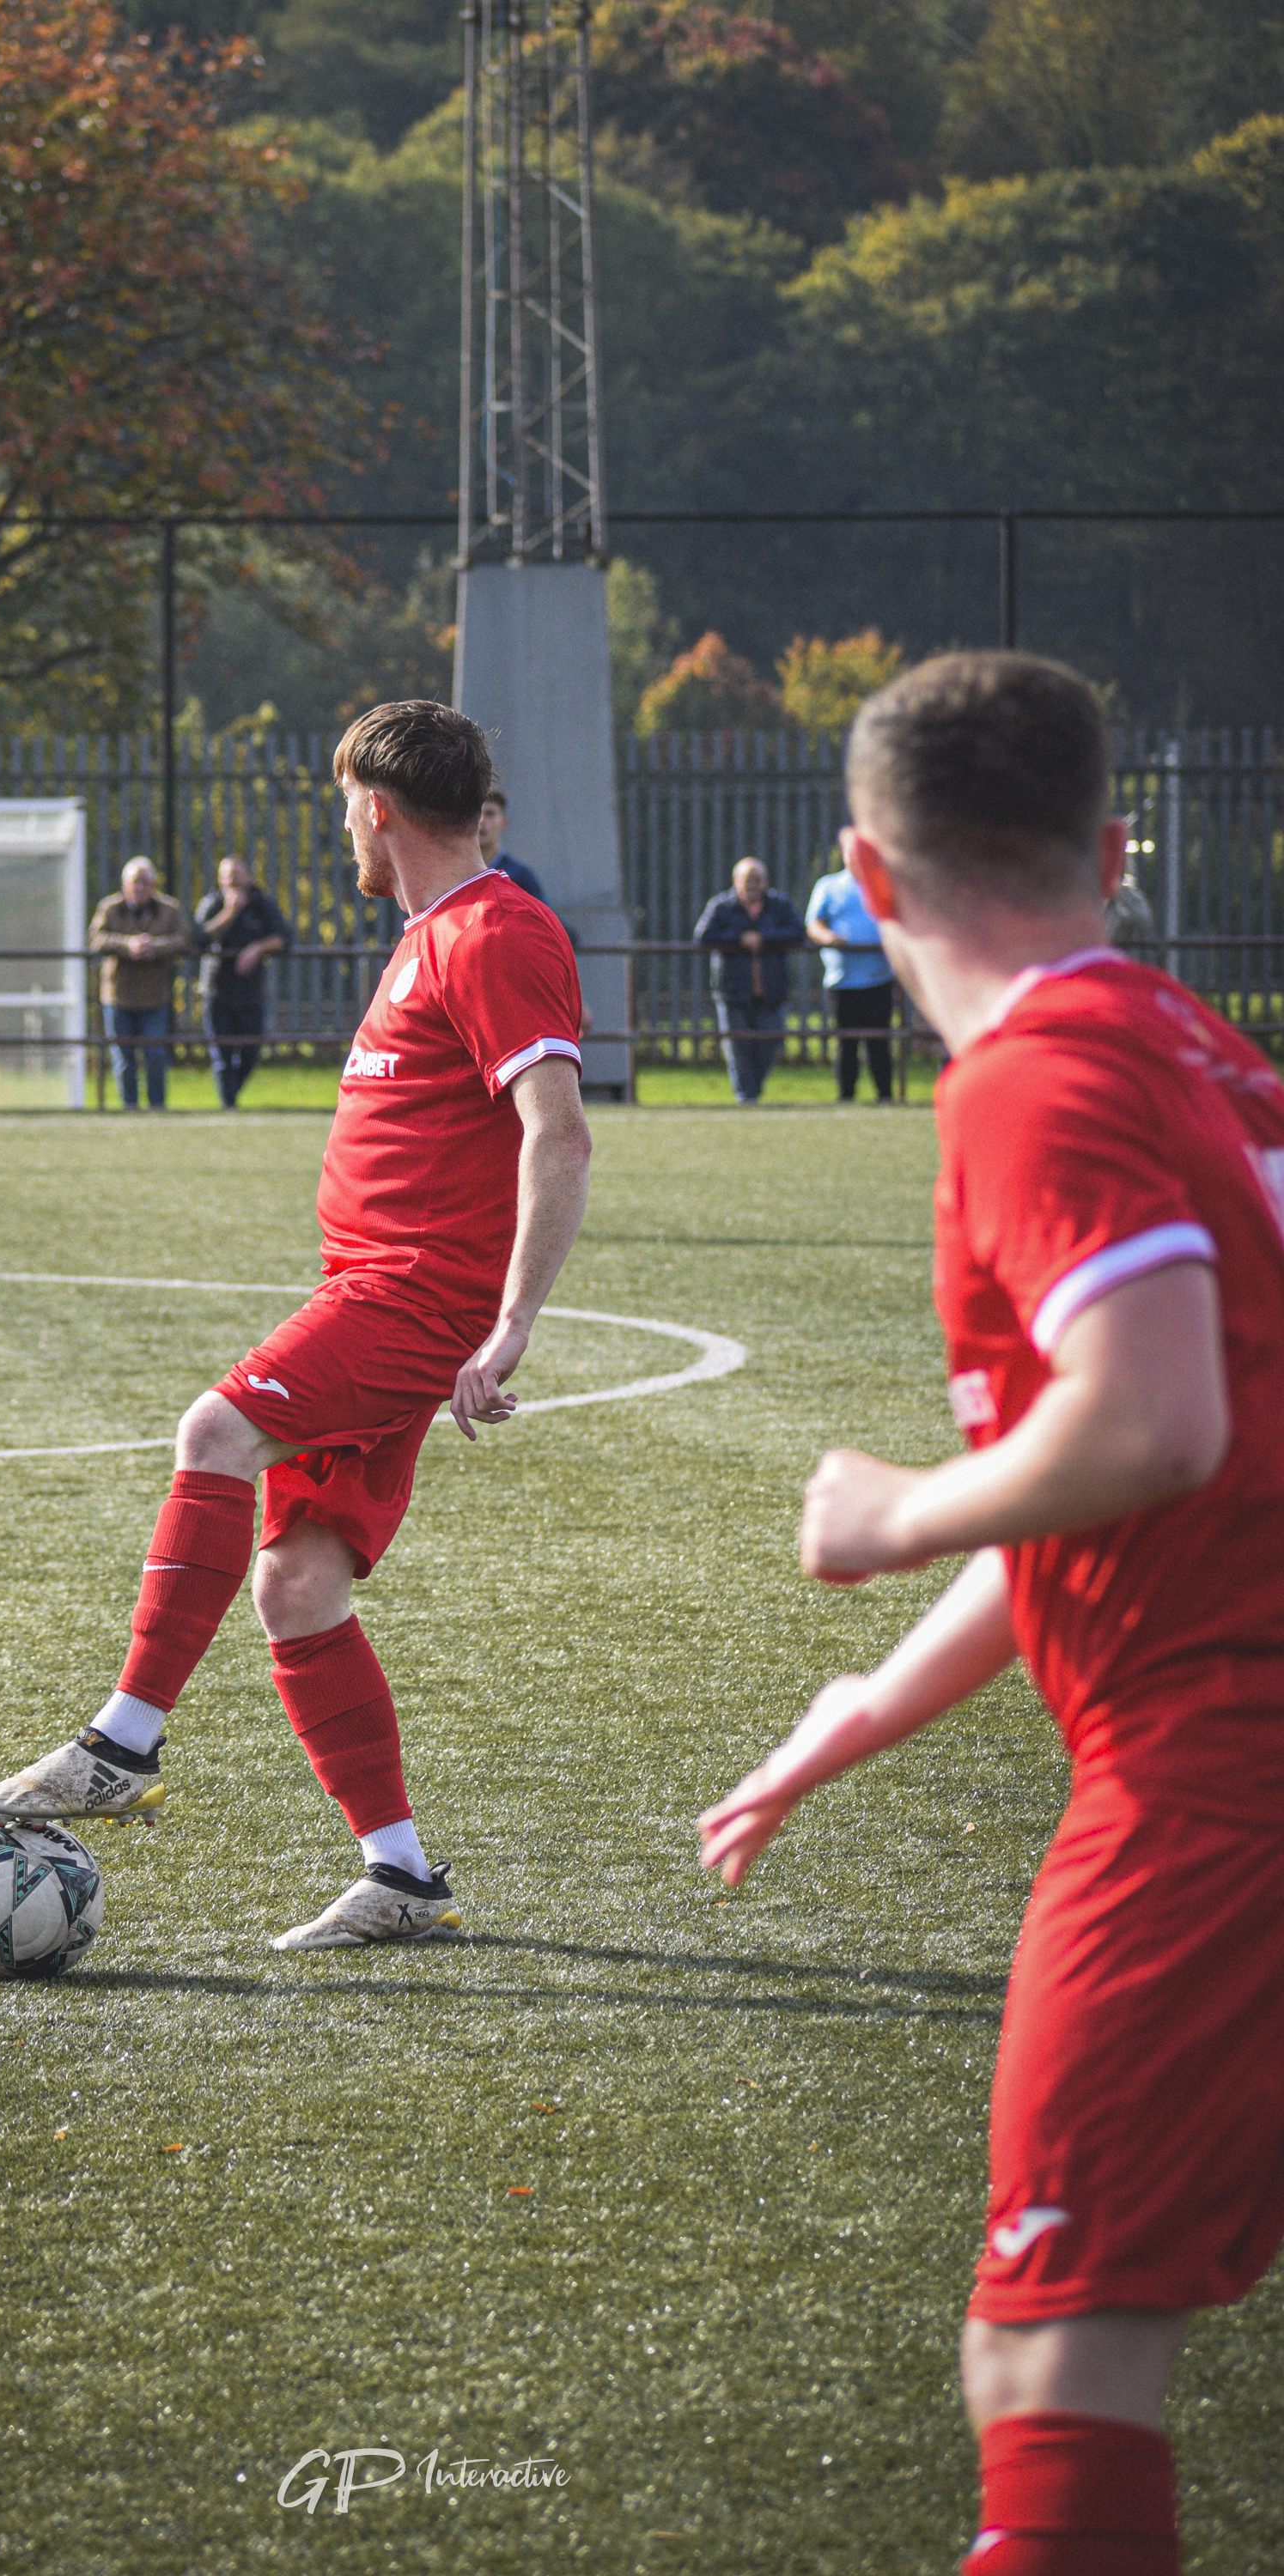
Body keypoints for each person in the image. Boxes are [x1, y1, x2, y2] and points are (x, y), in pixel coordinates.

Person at [697, 651, 1284, 2576]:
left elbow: (1151, 1420)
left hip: (1215, 1775)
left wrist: (888, 1514)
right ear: (1115, 848)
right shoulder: (1201, 1043)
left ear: (858, 874)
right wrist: (867, 1700)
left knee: (1047, 2372)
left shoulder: (1036, 1074)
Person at [0, 699, 592, 1951]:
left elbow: (558, 1130)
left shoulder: (492, 931)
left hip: (411, 1303)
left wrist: (511, 1321)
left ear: (375, 807)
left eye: (340, 805)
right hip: (371, 1292)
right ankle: (402, 1877)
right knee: (297, 1587)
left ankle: (122, 1744)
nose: (339, 828)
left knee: (214, 1430)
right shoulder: (431, 931)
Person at [478, 787, 596, 1038]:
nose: (482, 822)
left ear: (504, 822)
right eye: (476, 814)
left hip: (513, 983)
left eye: (489, 814)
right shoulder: (458, 876)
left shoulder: (520, 876)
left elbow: (547, 926)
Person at [694, 858, 805, 1103]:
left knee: (771, 1043)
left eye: (758, 880)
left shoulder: (780, 905)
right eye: (748, 880)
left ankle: (753, 1091)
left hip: (772, 991)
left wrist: (763, 937)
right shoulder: (721, 906)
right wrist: (740, 939)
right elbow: (703, 936)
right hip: (733, 991)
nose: (753, 885)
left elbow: (798, 933)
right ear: (736, 881)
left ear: (766, 882)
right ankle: (746, 1097)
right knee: (738, 1049)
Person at [88, 855, 192, 1110]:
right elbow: (96, 939)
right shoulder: (110, 908)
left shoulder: (169, 909)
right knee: (123, 1058)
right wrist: (128, 946)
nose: (140, 888)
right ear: (124, 884)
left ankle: (157, 1106)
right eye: (135, 882)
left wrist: (154, 947)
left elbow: (185, 939)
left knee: (156, 1054)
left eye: (145, 882)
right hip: (118, 996)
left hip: (155, 996)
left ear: (154, 884)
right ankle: (130, 1108)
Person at [194, 855, 291, 1110]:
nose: (231, 880)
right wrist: (230, 912)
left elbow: (284, 938)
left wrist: (257, 948)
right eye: (226, 875)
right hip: (217, 991)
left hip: (251, 992)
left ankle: (231, 1094)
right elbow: (198, 939)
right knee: (222, 1056)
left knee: (250, 1052)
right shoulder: (212, 904)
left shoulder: (262, 904)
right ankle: (229, 1106)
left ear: (249, 878)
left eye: (237, 874)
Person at [804, 851, 895, 1102]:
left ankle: (885, 1095)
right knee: (846, 1044)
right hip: (842, 980)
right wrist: (829, 938)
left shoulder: (883, 883)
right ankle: (846, 1096)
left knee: (879, 1042)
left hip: (879, 978)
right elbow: (814, 924)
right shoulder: (829, 885)